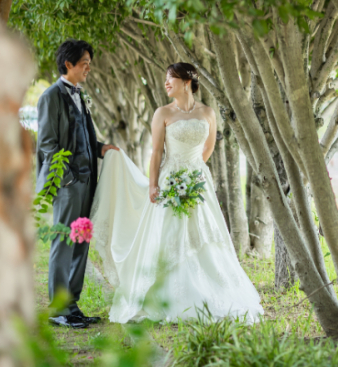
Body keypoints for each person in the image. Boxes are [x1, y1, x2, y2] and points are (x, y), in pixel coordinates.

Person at [91, 62, 263, 323]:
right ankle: (162, 296)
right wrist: (153, 183)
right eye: (165, 79)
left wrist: (194, 170)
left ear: (187, 81)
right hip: (169, 177)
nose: (166, 83)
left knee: (205, 232)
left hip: (197, 178)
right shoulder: (162, 113)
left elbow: (208, 146)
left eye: (170, 78)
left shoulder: (208, 112)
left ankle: (212, 292)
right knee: (169, 232)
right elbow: (157, 152)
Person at [36, 39, 119, 329]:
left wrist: (101, 148)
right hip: (67, 183)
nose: (88, 68)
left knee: (81, 241)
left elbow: (82, 136)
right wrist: (69, 177)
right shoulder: (50, 97)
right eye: (84, 63)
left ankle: (72, 305)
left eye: (89, 63)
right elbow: (47, 144)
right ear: (68, 64)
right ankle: (58, 308)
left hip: (88, 181)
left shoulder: (80, 96)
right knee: (63, 242)